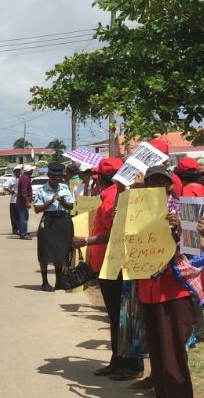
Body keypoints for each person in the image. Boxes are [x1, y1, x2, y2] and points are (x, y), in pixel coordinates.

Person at [134, 166, 201, 398]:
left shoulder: (184, 208)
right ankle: (162, 394)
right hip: (148, 286)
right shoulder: (139, 210)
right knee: (156, 344)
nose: (157, 187)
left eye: (162, 182)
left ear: (170, 184)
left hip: (174, 287)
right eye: (152, 183)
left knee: (172, 345)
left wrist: (181, 226)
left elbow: (196, 248)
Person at [73, 157, 141, 378]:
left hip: (115, 264)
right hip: (107, 264)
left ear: (101, 178)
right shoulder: (110, 195)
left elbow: (117, 232)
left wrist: (87, 241)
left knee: (120, 315)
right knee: (115, 315)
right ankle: (117, 359)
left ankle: (128, 363)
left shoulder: (114, 197)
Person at [34, 163, 75, 291]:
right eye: (55, 178)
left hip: (61, 220)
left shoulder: (64, 188)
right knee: (45, 250)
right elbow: (37, 209)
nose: (57, 180)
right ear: (49, 177)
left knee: (60, 251)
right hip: (48, 220)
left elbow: (71, 206)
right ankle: (45, 282)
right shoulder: (42, 190)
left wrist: (63, 202)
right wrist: (50, 202)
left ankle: (59, 281)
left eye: (59, 178)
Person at [15, 166, 33, 239]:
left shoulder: (24, 177)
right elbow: (24, 192)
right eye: (31, 170)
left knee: (23, 217)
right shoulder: (25, 179)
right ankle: (23, 233)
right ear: (28, 171)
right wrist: (27, 202)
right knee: (24, 217)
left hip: (22, 201)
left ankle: (23, 231)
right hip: (23, 202)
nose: (32, 171)